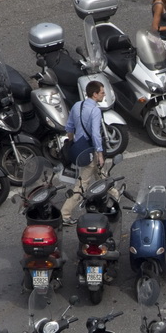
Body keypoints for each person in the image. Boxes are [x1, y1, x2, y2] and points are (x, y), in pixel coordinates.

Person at [60, 80, 105, 226]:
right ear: (95, 94)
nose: (104, 95)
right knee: (82, 184)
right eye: (102, 92)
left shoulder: (77, 105)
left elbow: (69, 127)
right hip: (89, 150)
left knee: (100, 173)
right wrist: (100, 153)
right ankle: (65, 214)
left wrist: (72, 143)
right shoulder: (95, 110)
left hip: (79, 148)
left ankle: (114, 194)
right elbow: (96, 134)